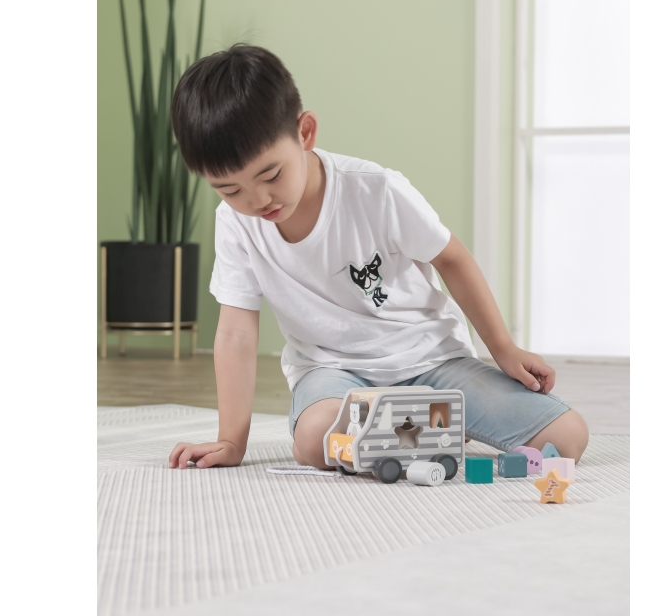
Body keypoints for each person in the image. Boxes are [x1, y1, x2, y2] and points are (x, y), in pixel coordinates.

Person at [165, 44, 589, 471]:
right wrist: (231, 441)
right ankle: (431, 427)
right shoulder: (235, 223)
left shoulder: (376, 189)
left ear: (305, 133)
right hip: (334, 375)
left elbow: (452, 259)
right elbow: (236, 332)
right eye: (230, 190)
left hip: (432, 361)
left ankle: (418, 426)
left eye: (271, 175)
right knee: (315, 438)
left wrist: (503, 349)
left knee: (568, 437)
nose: (258, 200)